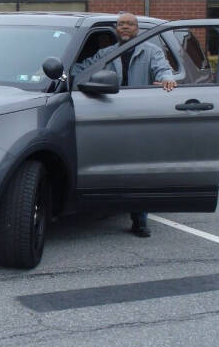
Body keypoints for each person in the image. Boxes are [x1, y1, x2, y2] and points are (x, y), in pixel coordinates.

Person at [71, 12, 177, 238]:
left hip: (139, 118)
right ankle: (108, 207)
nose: (125, 27)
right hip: (111, 115)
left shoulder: (152, 51)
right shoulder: (106, 53)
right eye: (121, 24)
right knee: (111, 165)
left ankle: (140, 220)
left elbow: (163, 70)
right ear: (116, 29)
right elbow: (82, 70)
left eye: (130, 24)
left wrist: (168, 79)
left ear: (137, 28)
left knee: (139, 171)